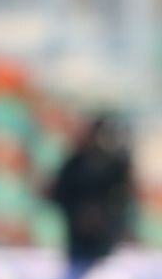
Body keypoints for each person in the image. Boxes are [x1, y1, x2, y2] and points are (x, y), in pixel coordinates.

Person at [49, 113, 135, 267]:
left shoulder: (116, 166)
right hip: (77, 244)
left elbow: (124, 198)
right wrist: (79, 214)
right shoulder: (74, 164)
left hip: (108, 247)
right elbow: (59, 194)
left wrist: (104, 217)